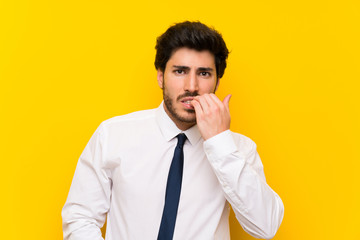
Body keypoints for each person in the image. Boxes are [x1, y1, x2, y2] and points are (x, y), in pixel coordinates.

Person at [62, 21, 284, 240]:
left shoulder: (238, 149)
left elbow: (266, 227)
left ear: (216, 82)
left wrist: (220, 143)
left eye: (204, 73)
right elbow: (80, 217)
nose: (191, 86)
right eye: (180, 71)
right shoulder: (113, 135)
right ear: (161, 76)